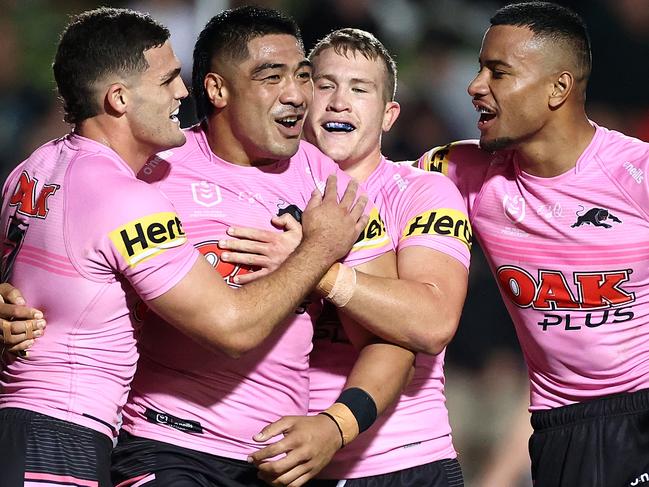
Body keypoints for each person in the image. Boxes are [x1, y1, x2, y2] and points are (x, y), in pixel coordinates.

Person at [0, 8, 369, 486]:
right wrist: (320, 249)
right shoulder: (128, 197)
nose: (181, 92)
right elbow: (232, 327)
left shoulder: (33, 167)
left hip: (29, 421)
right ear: (118, 98)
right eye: (168, 80)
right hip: (66, 434)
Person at [103, 7, 416, 487]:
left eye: (303, 76)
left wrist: (336, 426)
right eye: (272, 78)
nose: (296, 96)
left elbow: (392, 336)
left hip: (277, 462)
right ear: (217, 89)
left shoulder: (328, 185)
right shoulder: (155, 170)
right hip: (166, 445)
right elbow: (66, 253)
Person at [221, 28, 471, 486]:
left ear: (388, 114)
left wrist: (312, 268)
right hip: (279, 459)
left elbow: (433, 323)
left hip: (403, 462)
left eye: (360, 89)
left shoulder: (420, 192)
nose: (339, 102)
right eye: (324, 85)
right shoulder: (257, 189)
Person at [414, 2, 649, 486]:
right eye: (480, 69)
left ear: (558, 88)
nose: (475, 86)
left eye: (498, 72)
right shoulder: (462, 172)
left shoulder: (636, 174)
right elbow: (368, 182)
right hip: (560, 431)